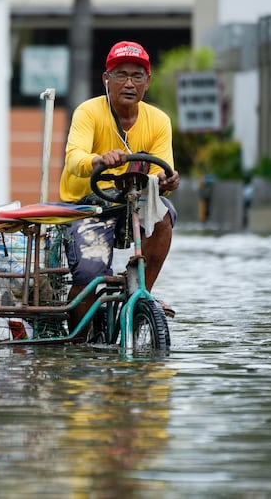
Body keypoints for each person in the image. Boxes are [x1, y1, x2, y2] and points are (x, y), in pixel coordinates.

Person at [60, 40, 181, 326]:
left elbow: (162, 173)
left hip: (131, 204)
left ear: (147, 82)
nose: (129, 83)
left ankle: (140, 296)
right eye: (121, 75)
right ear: (107, 79)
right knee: (89, 274)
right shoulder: (88, 112)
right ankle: (78, 344)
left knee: (163, 213)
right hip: (86, 207)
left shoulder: (159, 121)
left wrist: (168, 181)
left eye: (137, 76)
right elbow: (73, 159)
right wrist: (99, 160)